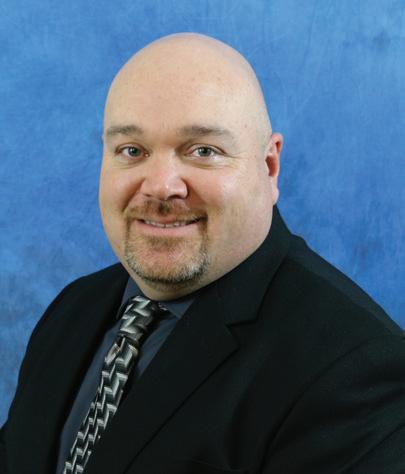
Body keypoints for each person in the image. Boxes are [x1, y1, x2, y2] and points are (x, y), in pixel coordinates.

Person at [1, 33, 404, 474]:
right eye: (132, 150)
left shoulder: (353, 370)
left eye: (203, 151)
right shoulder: (72, 310)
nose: (161, 186)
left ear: (269, 166)